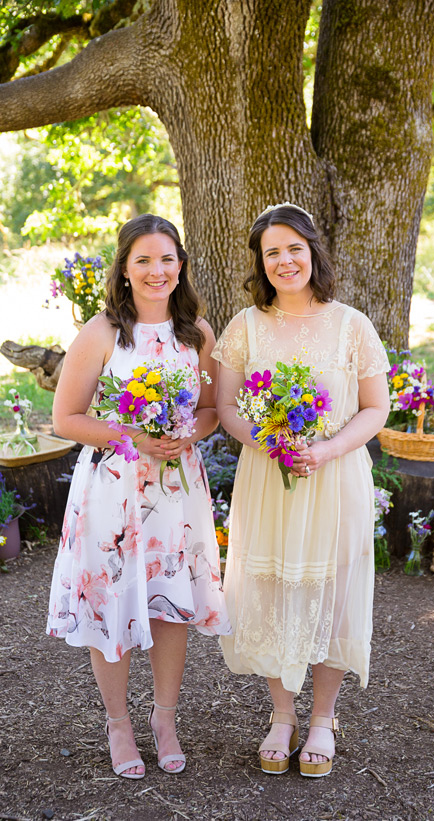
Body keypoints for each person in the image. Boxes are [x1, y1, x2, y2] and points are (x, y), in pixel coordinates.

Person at [47, 214, 230, 779]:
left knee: (171, 602)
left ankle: (165, 719)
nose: (157, 270)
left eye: (167, 259)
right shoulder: (101, 332)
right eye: (144, 260)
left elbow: (211, 412)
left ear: (181, 265)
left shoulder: (197, 332)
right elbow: (66, 418)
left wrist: (184, 437)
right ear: (124, 269)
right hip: (113, 489)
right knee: (115, 601)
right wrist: (135, 437)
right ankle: (119, 724)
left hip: (175, 490)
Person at [213, 203, 390, 777]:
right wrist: (266, 443)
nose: (285, 261)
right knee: (271, 589)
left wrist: (326, 449)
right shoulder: (245, 326)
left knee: (332, 590)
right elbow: (225, 408)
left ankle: (321, 720)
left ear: (313, 251)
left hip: (334, 478)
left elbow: (375, 408)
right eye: (272, 253)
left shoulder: (351, 325)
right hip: (268, 480)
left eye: (294, 248)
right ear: (260, 263)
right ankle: (282, 716)